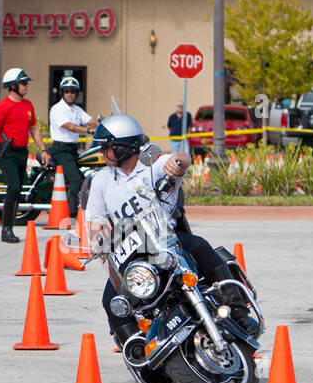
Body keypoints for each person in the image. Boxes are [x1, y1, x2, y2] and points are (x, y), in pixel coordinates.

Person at [84, 113, 235, 348]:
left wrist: (176, 163)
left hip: (166, 241)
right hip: (132, 254)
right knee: (111, 301)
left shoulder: (150, 163)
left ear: (124, 148)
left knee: (199, 245)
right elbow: (96, 221)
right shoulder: (102, 179)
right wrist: (99, 238)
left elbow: (182, 159)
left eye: (108, 148)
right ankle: (138, 351)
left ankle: (234, 303)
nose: (103, 154)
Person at [0, 67, 49, 243]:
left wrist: (43, 149)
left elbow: (33, 128)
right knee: (13, 187)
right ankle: (6, 230)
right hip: (7, 153)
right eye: (23, 83)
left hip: (22, 152)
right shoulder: (2, 106)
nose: (26, 86)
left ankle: (10, 227)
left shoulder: (28, 105)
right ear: (13, 86)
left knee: (18, 188)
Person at [48, 76, 95, 219]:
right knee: (76, 180)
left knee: (84, 178)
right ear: (62, 93)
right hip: (61, 150)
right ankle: (72, 214)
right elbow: (70, 127)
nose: (70, 94)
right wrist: (88, 131)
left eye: (73, 91)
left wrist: (105, 126)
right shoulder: (57, 109)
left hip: (72, 150)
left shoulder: (77, 110)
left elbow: (91, 121)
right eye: (67, 91)